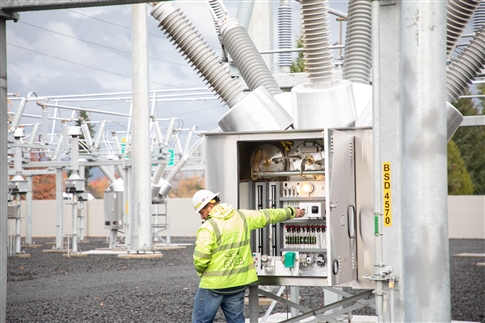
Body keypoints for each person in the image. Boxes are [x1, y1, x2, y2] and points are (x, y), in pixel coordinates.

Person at [191, 189, 305, 323]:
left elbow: (200, 259)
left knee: (201, 321)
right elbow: (267, 215)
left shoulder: (208, 227)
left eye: (201, 212)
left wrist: (202, 272)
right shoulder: (242, 217)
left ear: (209, 206)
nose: (202, 217)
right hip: (238, 284)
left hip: (213, 287)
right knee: (236, 320)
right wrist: (292, 212)